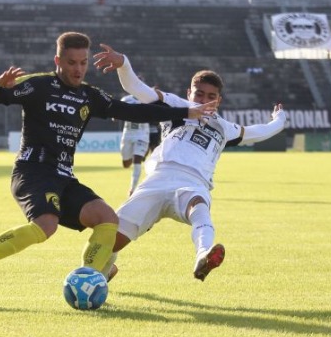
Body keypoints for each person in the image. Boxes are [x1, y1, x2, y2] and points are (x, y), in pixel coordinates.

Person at [0, 31, 215, 292]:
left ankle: (92, 277)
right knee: (46, 226)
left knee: (107, 218)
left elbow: (131, 110)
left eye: (83, 63)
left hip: (64, 177)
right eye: (71, 63)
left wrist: (185, 112)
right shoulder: (38, 85)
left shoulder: (89, 95)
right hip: (33, 171)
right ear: (58, 61)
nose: (78, 69)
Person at [93, 44, 286, 282]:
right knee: (110, 240)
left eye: (211, 96)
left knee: (200, 208)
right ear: (189, 93)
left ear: (219, 100)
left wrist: (280, 120)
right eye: (199, 94)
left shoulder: (224, 128)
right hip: (157, 180)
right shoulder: (175, 106)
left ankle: (204, 255)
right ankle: (106, 268)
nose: (204, 100)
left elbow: (260, 131)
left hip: (193, 183)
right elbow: (137, 89)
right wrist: (123, 64)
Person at [117, 95, 152, 195]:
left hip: (142, 134)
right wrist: (115, 115)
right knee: (126, 164)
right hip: (128, 134)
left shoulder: (147, 98)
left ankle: (132, 189)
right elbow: (117, 111)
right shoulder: (125, 99)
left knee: (137, 160)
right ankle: (141, 152)